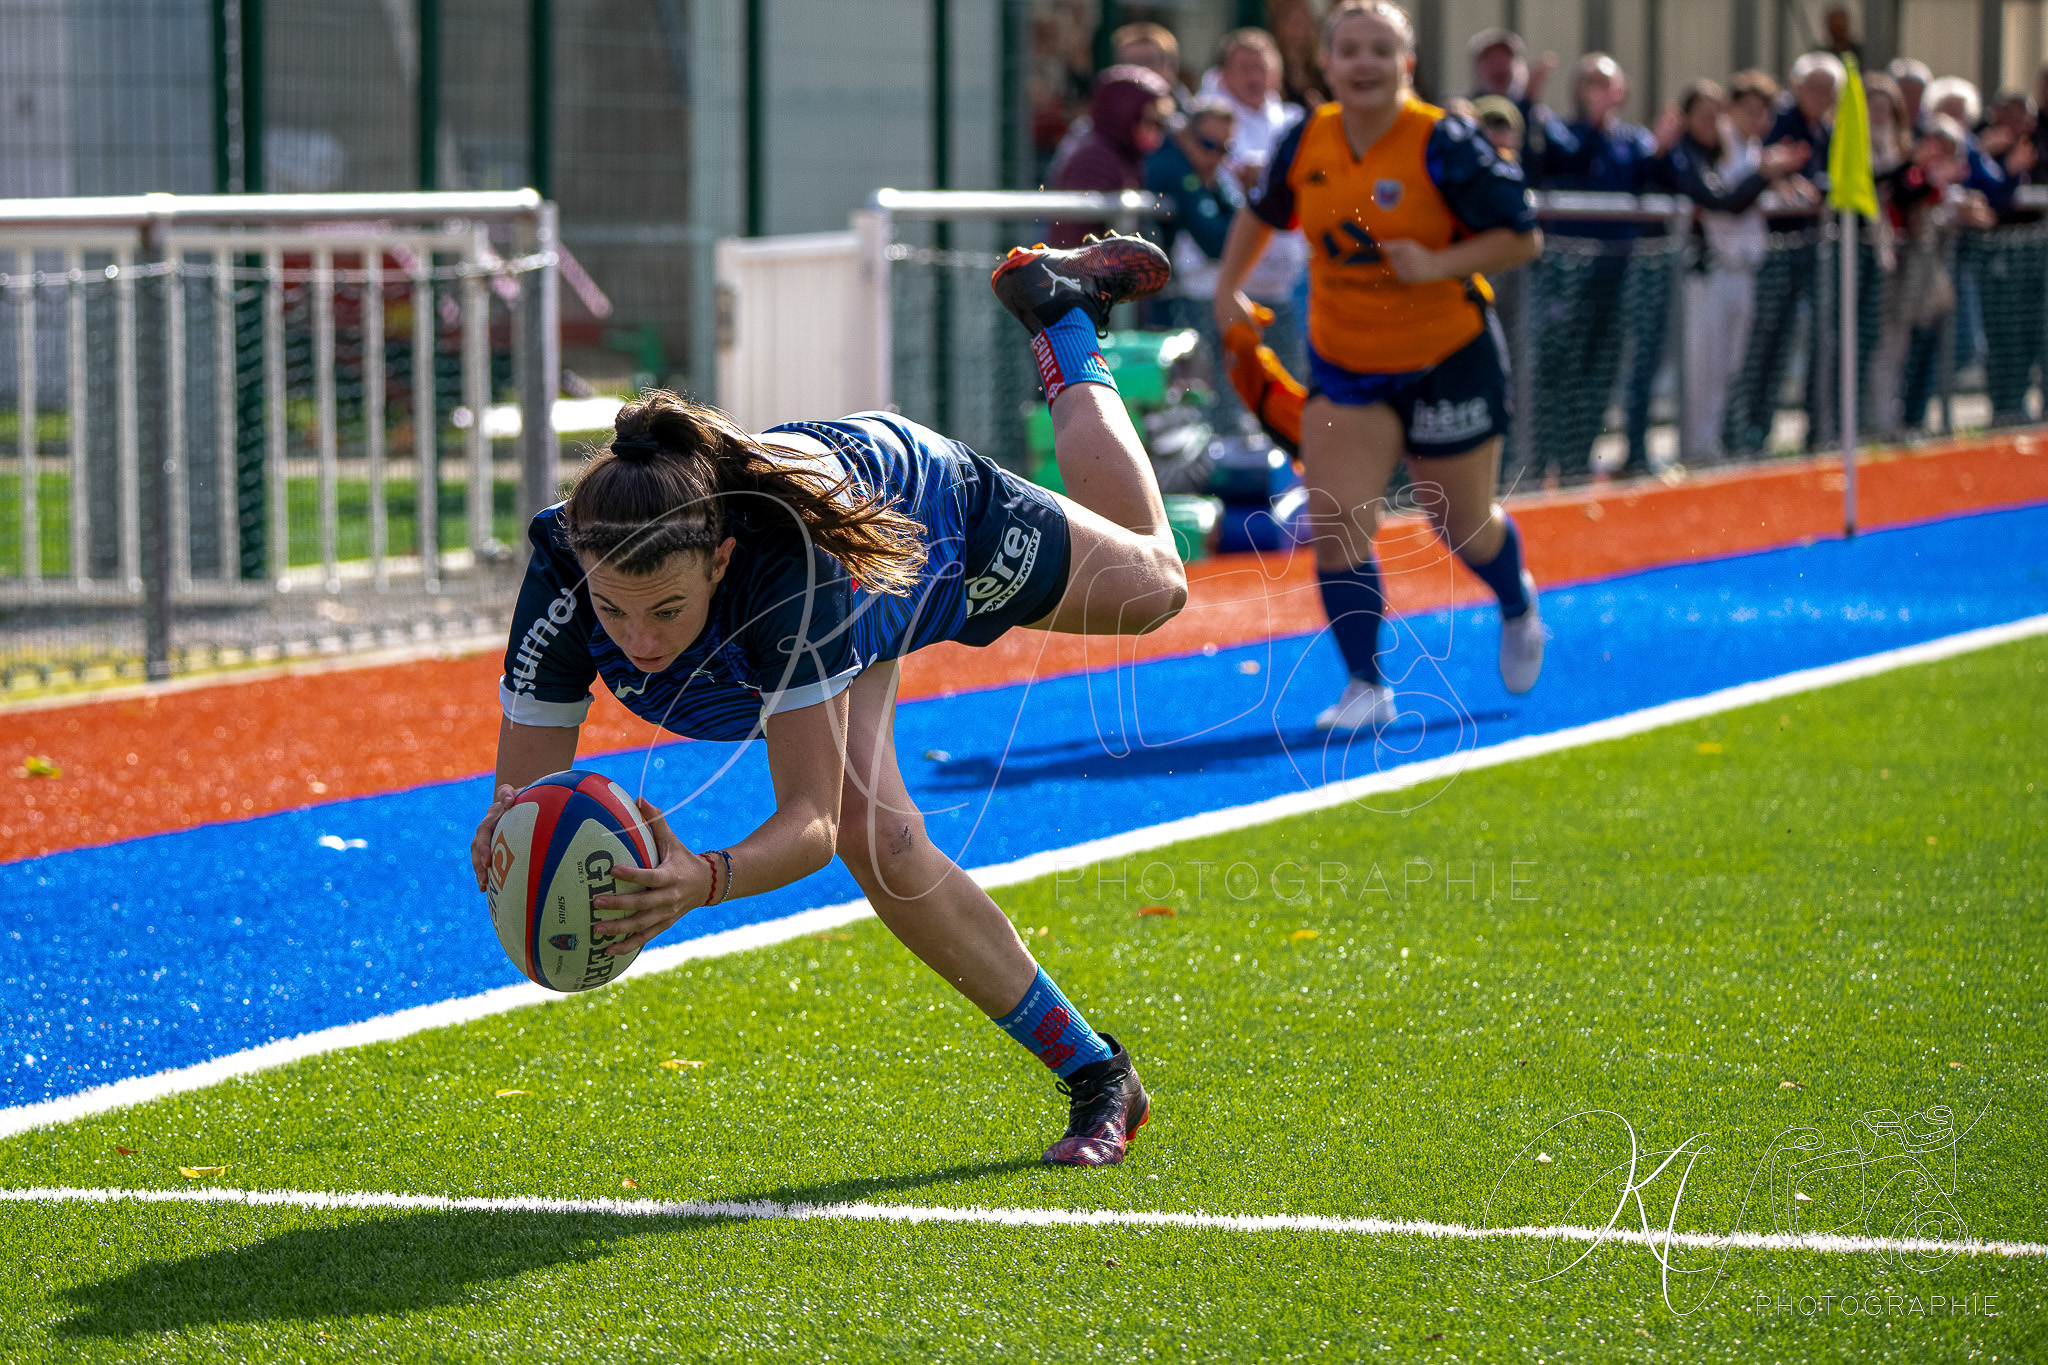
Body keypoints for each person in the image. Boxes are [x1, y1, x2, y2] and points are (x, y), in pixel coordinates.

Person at [472, 236, 1183, 1168]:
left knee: (1156, 586)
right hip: (833, 583)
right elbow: (524, 801)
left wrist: (703, 879)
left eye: (667, 610)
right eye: (616, 611)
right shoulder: (562, 570)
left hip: (917, 518)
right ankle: (1099, 1075)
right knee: (884, 845)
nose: (638, 640)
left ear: (720, 560)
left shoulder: (784, 572)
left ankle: (1062, 320)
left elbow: (807, 823)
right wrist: (504, 839)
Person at [1212, 0, 1545, 731]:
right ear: (1327, 65)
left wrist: (1438, 262)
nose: (1364, 63)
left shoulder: (1443, 140)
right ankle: (1366, 685)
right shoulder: (1308, 137)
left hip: (1446, 357)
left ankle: (1516, 599)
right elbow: (1262, 212)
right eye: (1349, 50)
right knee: (1335, 519)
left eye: (1379, 50)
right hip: (1346, 365)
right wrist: (1227, 286)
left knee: (1458, 523)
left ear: (1407, 65)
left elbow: (1522, 236)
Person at [1650, 79, 1809, 463]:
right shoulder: (1689, 153)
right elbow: (1722, 200)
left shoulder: (1738, 151)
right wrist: (1765, 174)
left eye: (1714, 114)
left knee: (1727, 365)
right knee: (1701, 365)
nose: (1712, 123)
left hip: (1742, 269)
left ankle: (1709, 445)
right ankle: (1693, 448)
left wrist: (1775, 176)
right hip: (1706, 271)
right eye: (1703, 115)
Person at [1526, 53, 1664, 475]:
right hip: (1565, 274)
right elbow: (1563, 161)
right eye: (1592, 83)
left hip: (1617, 273)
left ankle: (1578, 459)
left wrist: (1665, 149)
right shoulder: (1560, 132)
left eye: (1607, 84)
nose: (1601, 92)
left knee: (1602, 365)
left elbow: (1653, 178)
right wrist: (1586, 120)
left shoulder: (1635, 140)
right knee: (1558, 363)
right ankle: (1542, 460)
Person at [1730, 51, 1840, 455]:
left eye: (1829, 91)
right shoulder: (1781, 122)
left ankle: (1762, 432)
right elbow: (1761, 172)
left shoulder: (1825, 130)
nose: (1822, 97)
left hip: (1805, 250)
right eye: (1815, 88)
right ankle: (1741, 433)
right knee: (1757, 345)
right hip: (1770, 252)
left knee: (1786, 344)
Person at [1147, 98, 1245, 414]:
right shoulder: (1171, 166)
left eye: (1225, 149)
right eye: (1208, 145)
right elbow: (1216, 241)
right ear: (1186, 137)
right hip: (1149, 302)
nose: (1216, 157)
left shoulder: (1203, 171)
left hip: (1171, 294)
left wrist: (1216, 191)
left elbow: (1237, 226)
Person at [1046, 65, 1174, 248]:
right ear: (1125, 113)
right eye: (1150, 122)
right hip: (1087, 265)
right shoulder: (1095, 159)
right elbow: (1074, 240)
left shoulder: (1122, 156)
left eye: (1160, 125)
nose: (1156, 133)